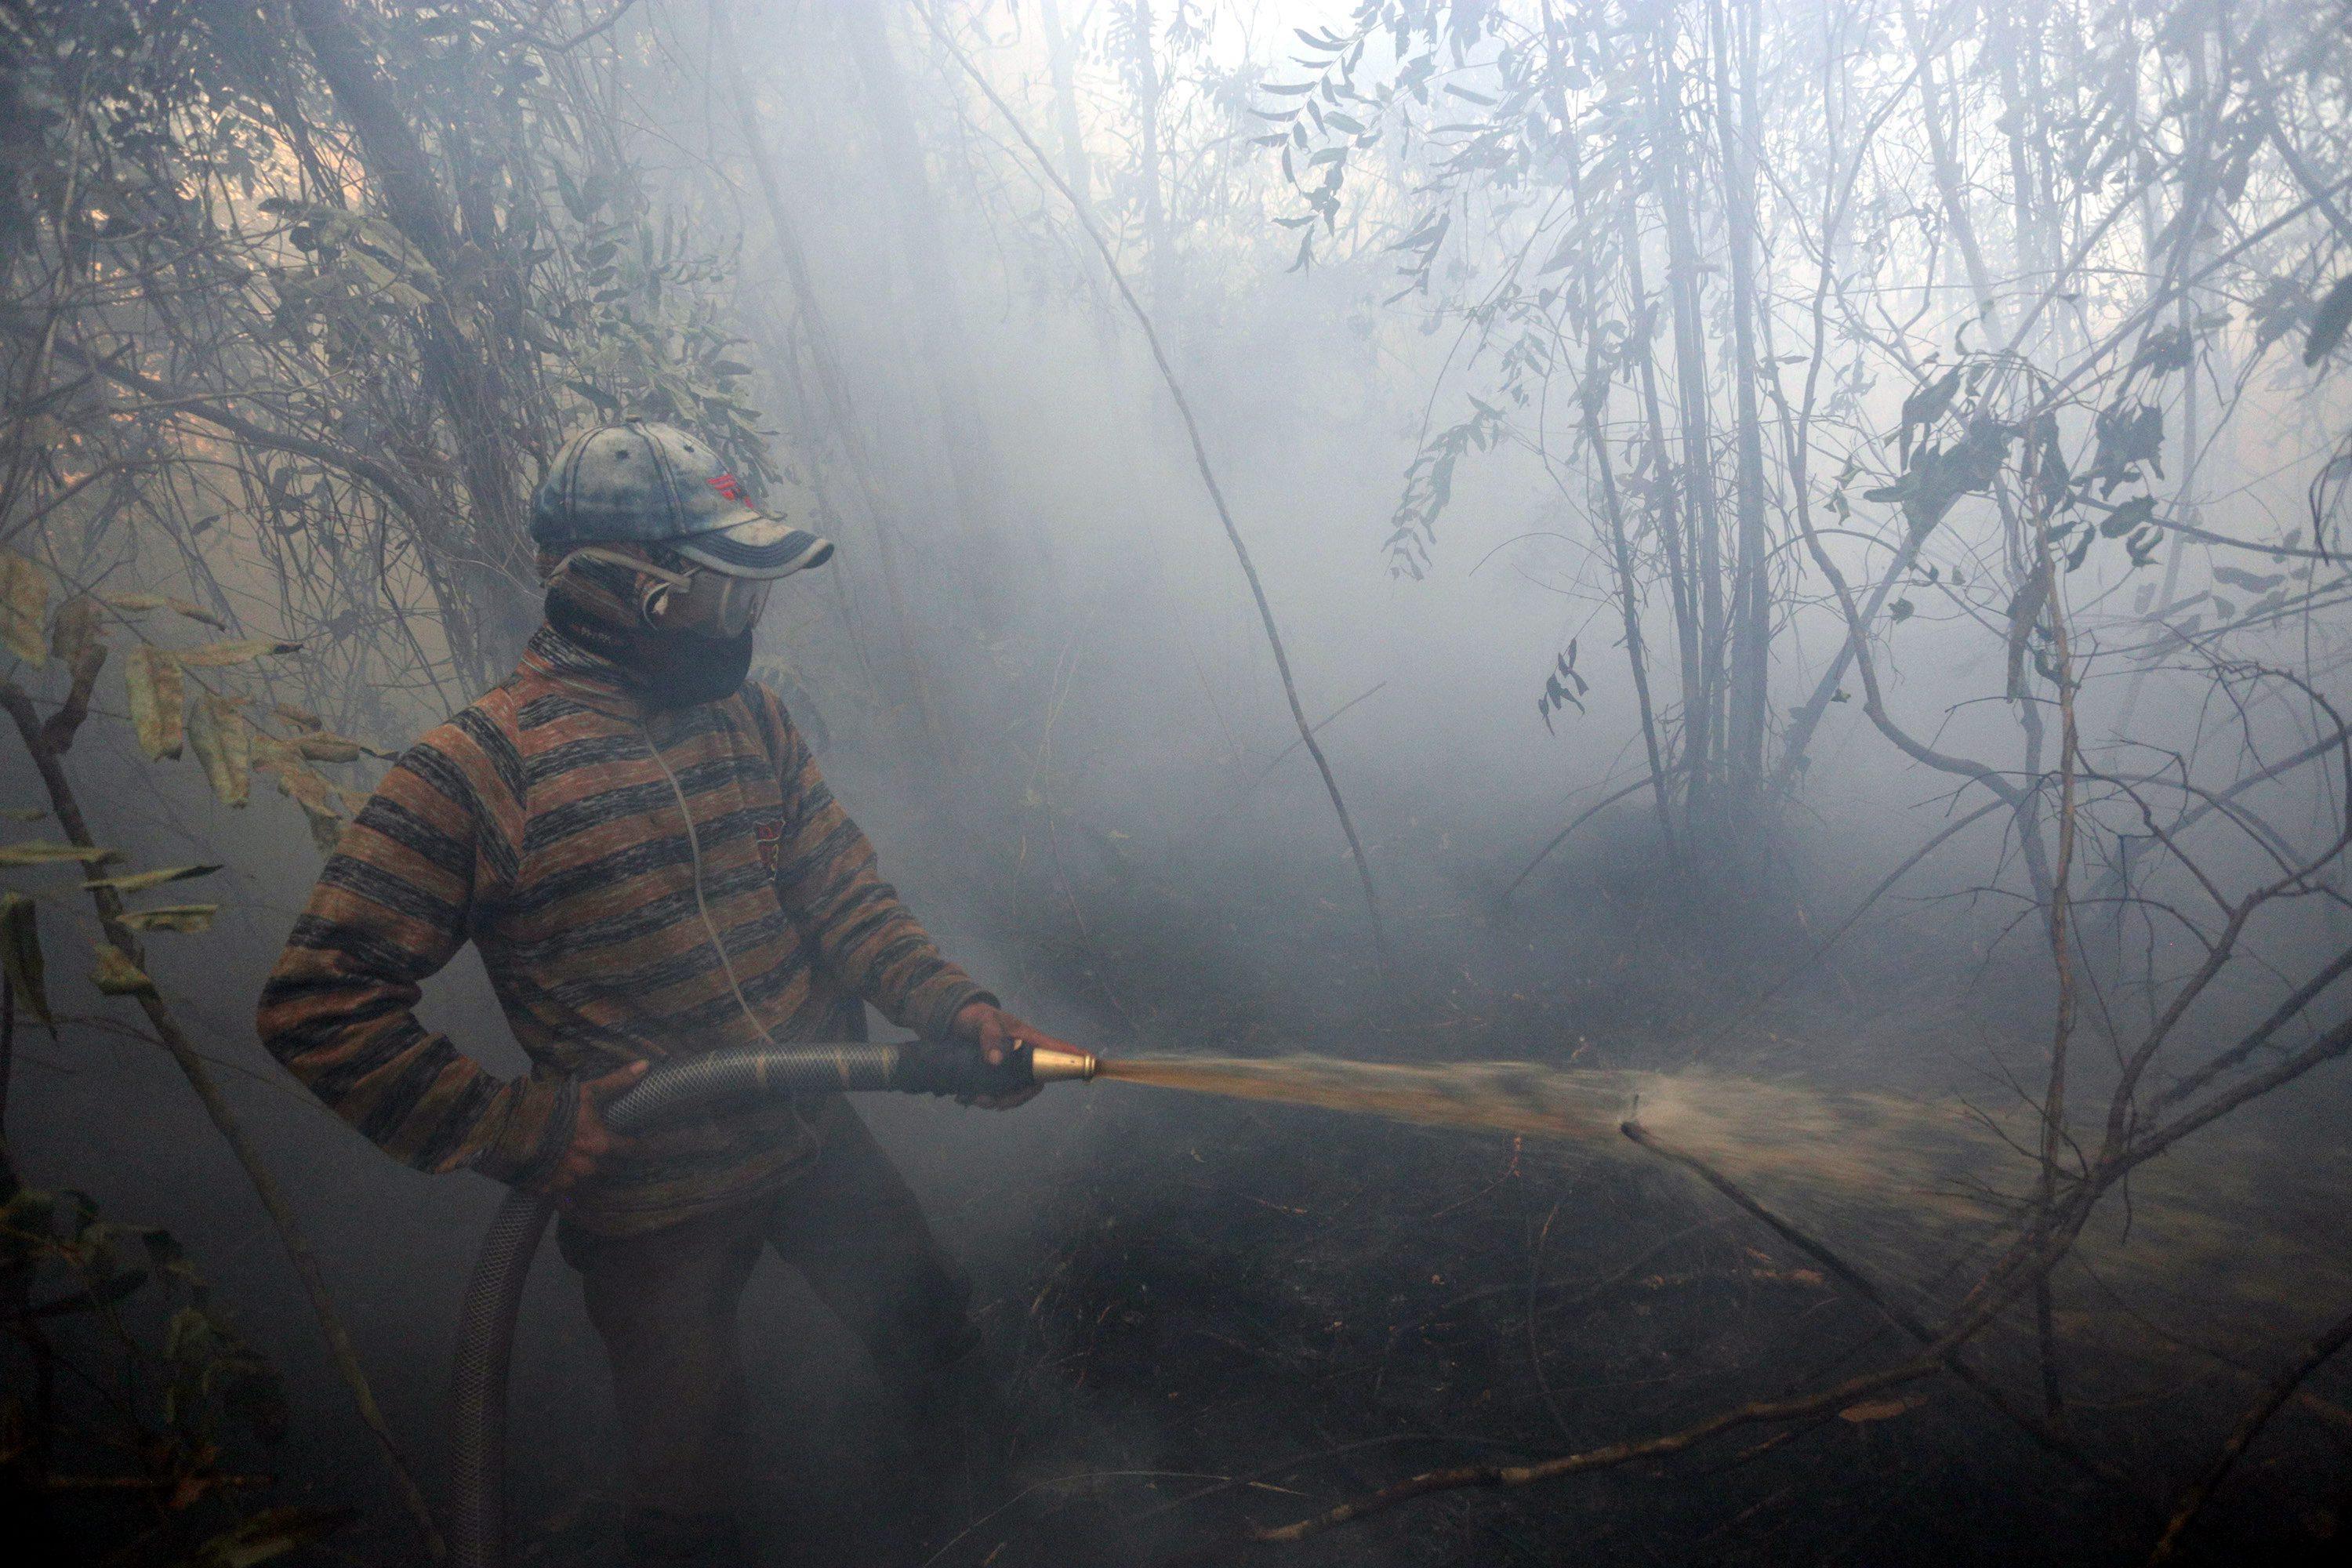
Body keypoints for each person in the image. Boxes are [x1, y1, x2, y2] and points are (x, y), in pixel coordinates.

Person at [257, 419, 1074, 1566]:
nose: (750, 622)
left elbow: (840, 894)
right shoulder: (478, 770)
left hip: (809, 1130)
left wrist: (950, 1005)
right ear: (622, 592)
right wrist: (511, 1125)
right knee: (691, 1498)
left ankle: (974, 1529)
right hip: (656, 1203)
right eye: (724, 594)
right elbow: (316, 1002)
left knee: (933, 1331)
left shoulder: (750, 721)